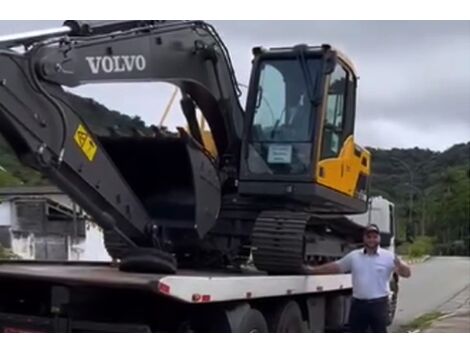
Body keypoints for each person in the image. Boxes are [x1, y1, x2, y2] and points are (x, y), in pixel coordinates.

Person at [302, 224, 411, 333]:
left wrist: (400, 266)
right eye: (369, 237)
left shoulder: (388, 256)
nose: (372, 240)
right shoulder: (354, 256)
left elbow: (407, 274)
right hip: (359, 305)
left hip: (379, 305)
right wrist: (313, 270)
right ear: (364, 238)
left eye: (374, 237)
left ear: (379, 238)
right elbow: (336, 267)